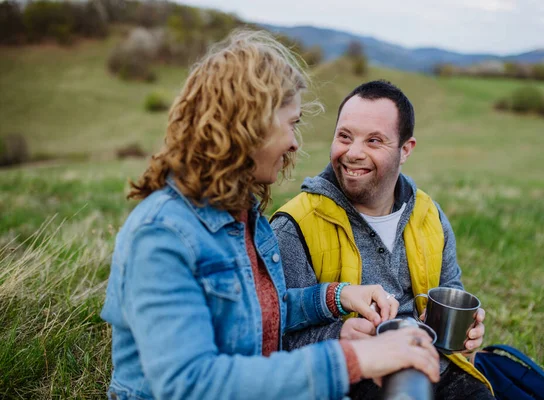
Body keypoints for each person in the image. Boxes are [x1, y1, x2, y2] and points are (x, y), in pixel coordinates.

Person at [100, 33, 442, 400]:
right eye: (291, 123)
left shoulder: (242, 218)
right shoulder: (162, 235)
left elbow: (263, 314)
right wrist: (354, 359)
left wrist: (339, 296)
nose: (295, 143)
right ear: (249, 127)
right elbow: (192, 383)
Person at [271, 80, 494, 399]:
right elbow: (276, 331)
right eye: (344, 137)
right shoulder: (295, 226)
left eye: (374, 140)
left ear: (406, 150)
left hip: (436, 368)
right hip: (354, 378)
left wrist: (467, 330)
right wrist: (337, 335)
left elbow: (450, 288)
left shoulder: (429, 215)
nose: (353, 153)